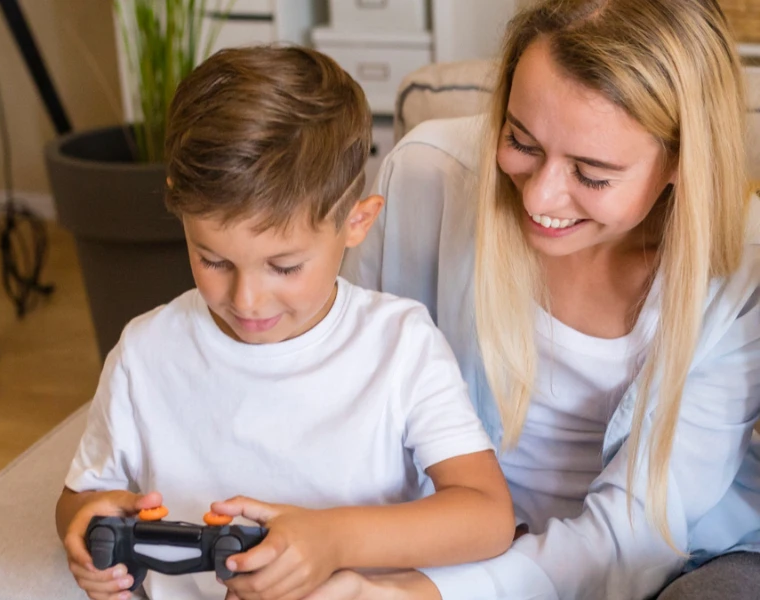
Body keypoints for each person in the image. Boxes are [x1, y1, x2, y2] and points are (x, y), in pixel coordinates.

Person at [323, 0, 760, 598]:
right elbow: (333, 400)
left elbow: (640, 533)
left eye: (592, 173)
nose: (539, 199)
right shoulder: (426, 179)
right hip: (446, 543)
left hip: (679, 558)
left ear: (681, 162)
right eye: (521, 141)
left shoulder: (744, 264)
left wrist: (430, 592)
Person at [53, 45, 516, 600]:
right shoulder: (145, 351)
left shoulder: (400, 346)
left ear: (356, 222)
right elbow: (80, 498)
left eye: (285, 265)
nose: (247, 299)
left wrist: (333, 541)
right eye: (214, 260)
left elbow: (487, 516)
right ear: (177, 207)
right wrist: (84, 525)